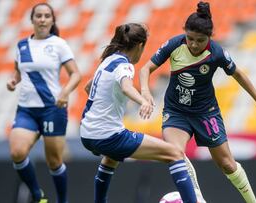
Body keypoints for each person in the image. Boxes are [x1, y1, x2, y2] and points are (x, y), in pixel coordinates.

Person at [139, 2, 256, 203]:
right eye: (190, 39)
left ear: (209, 38)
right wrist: (145, 91)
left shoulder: (216, 53)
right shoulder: (174, 45)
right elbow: (145, 69)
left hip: (205, 112)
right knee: (175, 154)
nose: (194, 44)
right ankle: (197, 199)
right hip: (176, 112)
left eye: (200, 40)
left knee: (227, 165)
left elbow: (238, 74)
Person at [80, 23, 199, 203]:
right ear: (140, 46)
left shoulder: (107, 60)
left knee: (111, 159)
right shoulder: (125, 66)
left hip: (87, 133)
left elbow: (88, 87)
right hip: (108, 136)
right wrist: (143, 101)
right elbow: (127, 87)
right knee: (174, 153)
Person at [6, 3, 81, 203]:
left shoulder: (59, 44)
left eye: (47, 16)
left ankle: (62, 200)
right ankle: (38, 195)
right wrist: (13, 81)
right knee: (17, 152)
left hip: (52, 109)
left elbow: (75, 74)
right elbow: (19, 71)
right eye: (38, 16)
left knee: (54, 162)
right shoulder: (22, 45)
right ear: (32, 20)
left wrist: (65, 92)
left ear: (52, 20)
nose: (42, 19)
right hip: (26, 110)